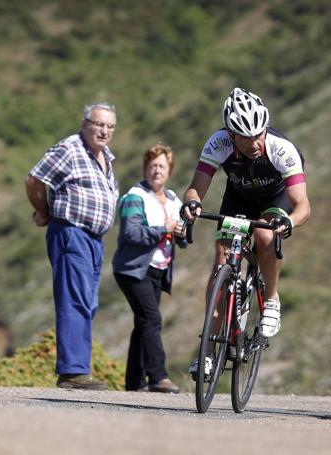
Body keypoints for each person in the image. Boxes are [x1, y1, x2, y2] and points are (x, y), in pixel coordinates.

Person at [182, 87, 311, 378]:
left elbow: (303, 205)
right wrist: (192, 203)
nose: (254, 142)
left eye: (258, 134)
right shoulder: (217, 144)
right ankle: (208, 352)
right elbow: (196, 187)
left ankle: (272, 298)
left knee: (265, 237)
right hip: (238, 197)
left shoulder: (281, 148)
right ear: (230, 135)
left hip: (274, 199)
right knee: (219, 268)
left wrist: (289, 222)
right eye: (245, 136)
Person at [25, 102, 119, 390]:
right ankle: (73, 372)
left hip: (94, 239)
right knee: (74, 299)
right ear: (84, 125)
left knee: (88, 303)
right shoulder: (70, 149)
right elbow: (34, 178)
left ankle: (78, 368)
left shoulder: (105, 157)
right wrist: (43, 210)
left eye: (110, 126)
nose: (104, 130)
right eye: (98, 124)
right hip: (71, 232)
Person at [112, 144, 186, 394]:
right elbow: (132, 233)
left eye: (161, 166)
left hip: (157, 270)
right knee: (152, 319)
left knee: (143, 322)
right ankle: (158, 376)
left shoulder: (174, 199)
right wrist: (163, 229)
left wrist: (182, 231)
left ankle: (134, 382)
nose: (156, 170)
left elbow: (184, 239)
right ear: (144, 169)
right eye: (152, 165)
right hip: (133, 270)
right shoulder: (135, 196)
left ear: (169, 171)